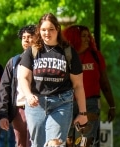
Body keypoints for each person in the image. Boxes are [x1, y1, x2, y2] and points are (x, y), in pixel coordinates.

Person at [17, 13, 88, 147]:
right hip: (36, 104)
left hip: (62, 103)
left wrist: (83, 113)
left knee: (55, 144)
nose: (47, 33)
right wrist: (28, 95)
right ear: (39, 30)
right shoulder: (32, 51)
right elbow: (23, 77)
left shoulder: (68, 52)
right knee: (38, 144)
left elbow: (78, 85)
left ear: (58, 29)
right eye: (43, 30)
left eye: (51, 29)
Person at [62, 25, 115, 147]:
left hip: (90, 104)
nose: (88, 39)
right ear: (74, 38)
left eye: (88, 36)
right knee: (69, 142)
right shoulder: (64, 56)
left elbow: (104, 83)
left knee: (85, 142)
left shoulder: (96, 56)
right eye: (83, 36)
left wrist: (112, 105)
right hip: (67, 104)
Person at [0, 25, 36, 147]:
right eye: (23, 37)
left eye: (30, 37)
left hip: (37, 108)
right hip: (19, 110)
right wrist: (2, 114)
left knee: (34, 142)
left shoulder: (43, 60)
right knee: (20, 144)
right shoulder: (14, 62)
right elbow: (4, 89)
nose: (26, 40)